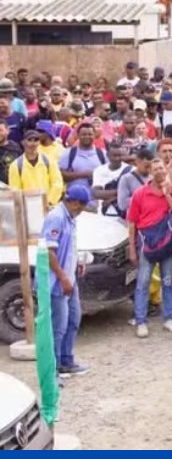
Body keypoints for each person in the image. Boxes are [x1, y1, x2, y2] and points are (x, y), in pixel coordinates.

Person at [125, 157, 172, 338]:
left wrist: (167, 195)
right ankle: (141, 321)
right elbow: (132, 223)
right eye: (155, 168)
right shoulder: (140, 194)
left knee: (168, 281)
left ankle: (169, 318)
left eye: (162, 168)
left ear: (166, 170)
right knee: (143, 282)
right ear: (150, 171)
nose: (159, 171)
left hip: (168, 242)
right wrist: (132, 249)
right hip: (146, 242)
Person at [43, 185, 92, 377]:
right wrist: (63, 277)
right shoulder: (56, 217)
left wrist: (77, 262)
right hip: (57, 282)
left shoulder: (70, 218)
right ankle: (53, 369)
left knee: (73, 320)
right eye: (80, 206)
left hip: (69, 279)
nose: (80, 211)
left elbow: (68, 246)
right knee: (58, 327)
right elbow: (49, 251)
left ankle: (66, 361)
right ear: (73, 202)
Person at [8, 128, 65, 205]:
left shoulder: (49, 161)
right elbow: (15, 190)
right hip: (27, 206)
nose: (33, 143)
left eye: (36, 140)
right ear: (23, 142)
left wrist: (49, 202)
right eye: (30, 140)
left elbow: (57, 183)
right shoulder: (15, 165)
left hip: (49, 206)